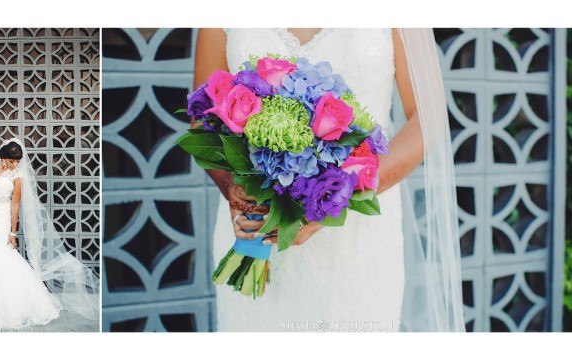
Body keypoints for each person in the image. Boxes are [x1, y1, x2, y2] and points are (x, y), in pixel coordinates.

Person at [193, 28, 464, 331]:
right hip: (256, 226)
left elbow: (428, 119)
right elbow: (203, 117)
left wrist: (340, 194)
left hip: (358, 244)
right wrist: (234, 187)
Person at [0, 138, 98, 329]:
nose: (16, 164)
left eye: (18, 161)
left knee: (3, 253)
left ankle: (15, 301)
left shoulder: (17, 176)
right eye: (12, 161)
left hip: (0, 218)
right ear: (3, 157)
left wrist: (13, 234)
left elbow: (15, 204)